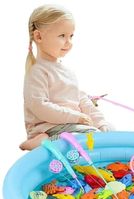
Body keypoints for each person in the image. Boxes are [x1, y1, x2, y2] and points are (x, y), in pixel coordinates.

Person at [20, 4, 114, 151]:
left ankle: (47, 141)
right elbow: (40, 107)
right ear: (38, 36)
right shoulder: (37, 71)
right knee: (90, 136)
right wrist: (76, 116)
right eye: (62, 36)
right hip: (50, 128)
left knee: (108, 131)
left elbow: (82, 100)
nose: (68, 42)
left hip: (71, 125)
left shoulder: (68, 72)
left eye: (71, 36)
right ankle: (39, 141)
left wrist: (101, 122)